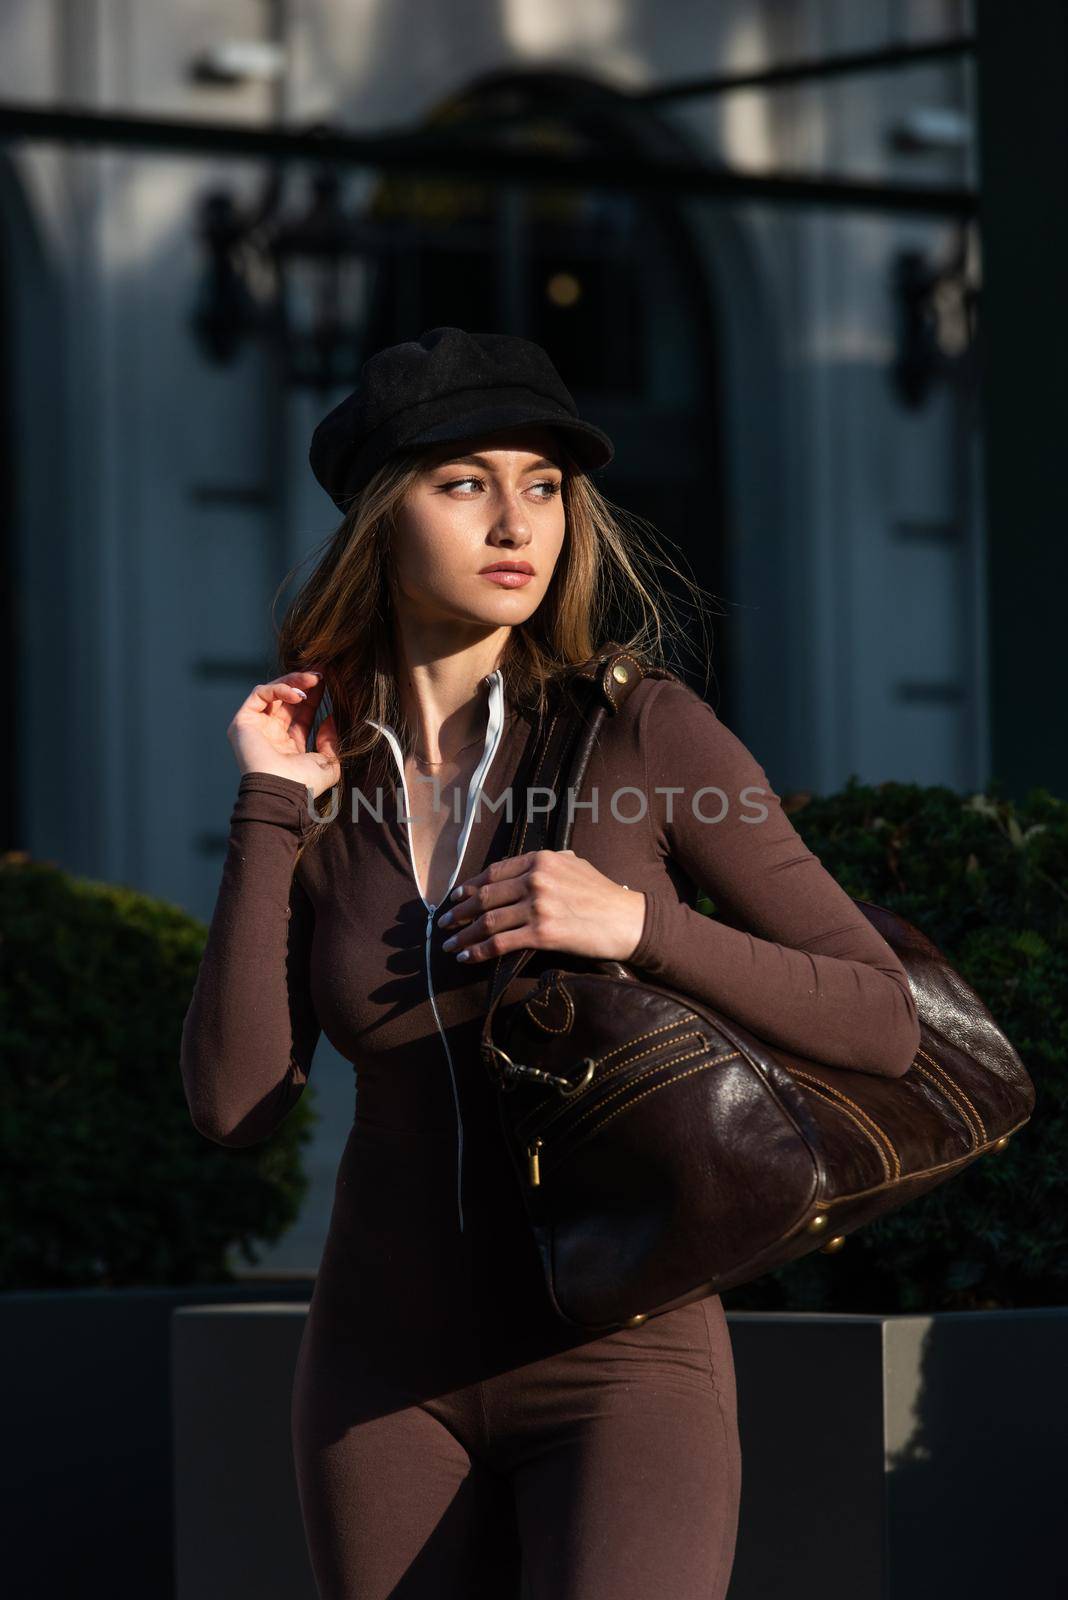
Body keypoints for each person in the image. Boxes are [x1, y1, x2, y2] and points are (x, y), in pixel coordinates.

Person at [179, 326, 921, 1599]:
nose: (515, 518)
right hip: (379, 1377)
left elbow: (881, 1018)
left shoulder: (645, 731)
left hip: (624, 1360)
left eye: (543, 484)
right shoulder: (325, 775)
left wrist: (639, 928)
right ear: (379, 519)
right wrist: (269, 811)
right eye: (465, 482)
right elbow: (236, 1106)